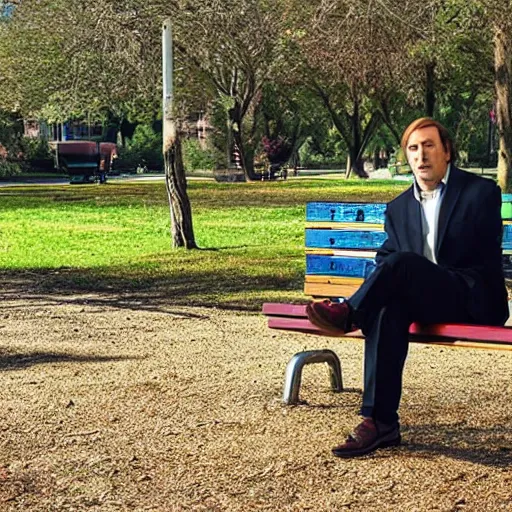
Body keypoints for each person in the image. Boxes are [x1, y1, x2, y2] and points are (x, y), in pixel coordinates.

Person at [306, 117, 509, 458]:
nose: (421, 155)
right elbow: (387, 260)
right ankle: (379, 421)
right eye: (413, 148)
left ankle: (349, 313)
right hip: (425, 300)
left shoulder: (481, 193)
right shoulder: (398, 208)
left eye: (429, 145)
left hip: (471, 297)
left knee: (400, 264)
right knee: (388, 307)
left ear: (447, 152)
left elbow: (476, 252)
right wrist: (405, 273)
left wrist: (411, 269)